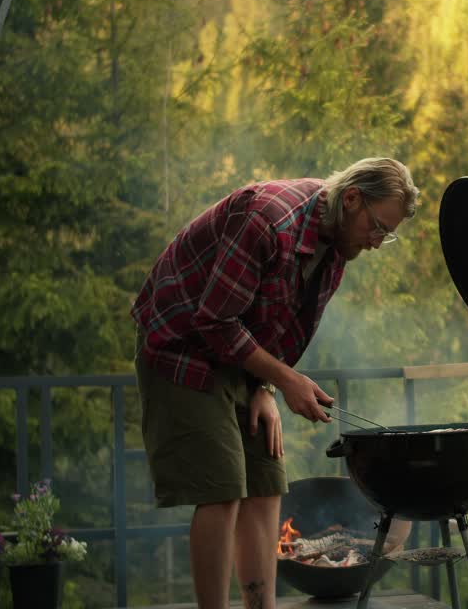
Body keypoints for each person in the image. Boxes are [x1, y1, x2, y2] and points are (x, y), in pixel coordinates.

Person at [131, 158, 420, 609]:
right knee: (222, 491)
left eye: (388, 234)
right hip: (182, 348)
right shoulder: (267, 220)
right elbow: (215, 321)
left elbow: (282, 330)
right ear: (351, 199)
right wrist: (285, 380)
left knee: (266, 483)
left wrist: (263, 389)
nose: (378, 242)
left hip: (238, 359)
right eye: (378, 227)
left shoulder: (335, 251)